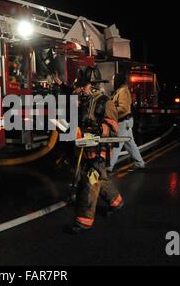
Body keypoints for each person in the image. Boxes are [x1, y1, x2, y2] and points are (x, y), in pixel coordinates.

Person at [57, 67, 124, 234]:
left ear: (92, 86)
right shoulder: (85, 101)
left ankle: (83, 221)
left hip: (98, 150)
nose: (80, 90)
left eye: (83, 86)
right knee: (100, 179)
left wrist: (92, 131)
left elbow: (113, 128)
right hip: (84, 149)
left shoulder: (105, 103)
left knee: (89, 183)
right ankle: (117, 202)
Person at [108, 71, 145, 172]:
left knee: (117, 144)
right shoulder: (120, 90)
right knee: (130, 144)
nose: (112, 81)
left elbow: (124, 108)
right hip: (126, 122)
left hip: (123, 122)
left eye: (113, 79)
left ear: (117, 80)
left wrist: (112, 112)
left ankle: (109, 166)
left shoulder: (123, 91)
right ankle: (140, 163)